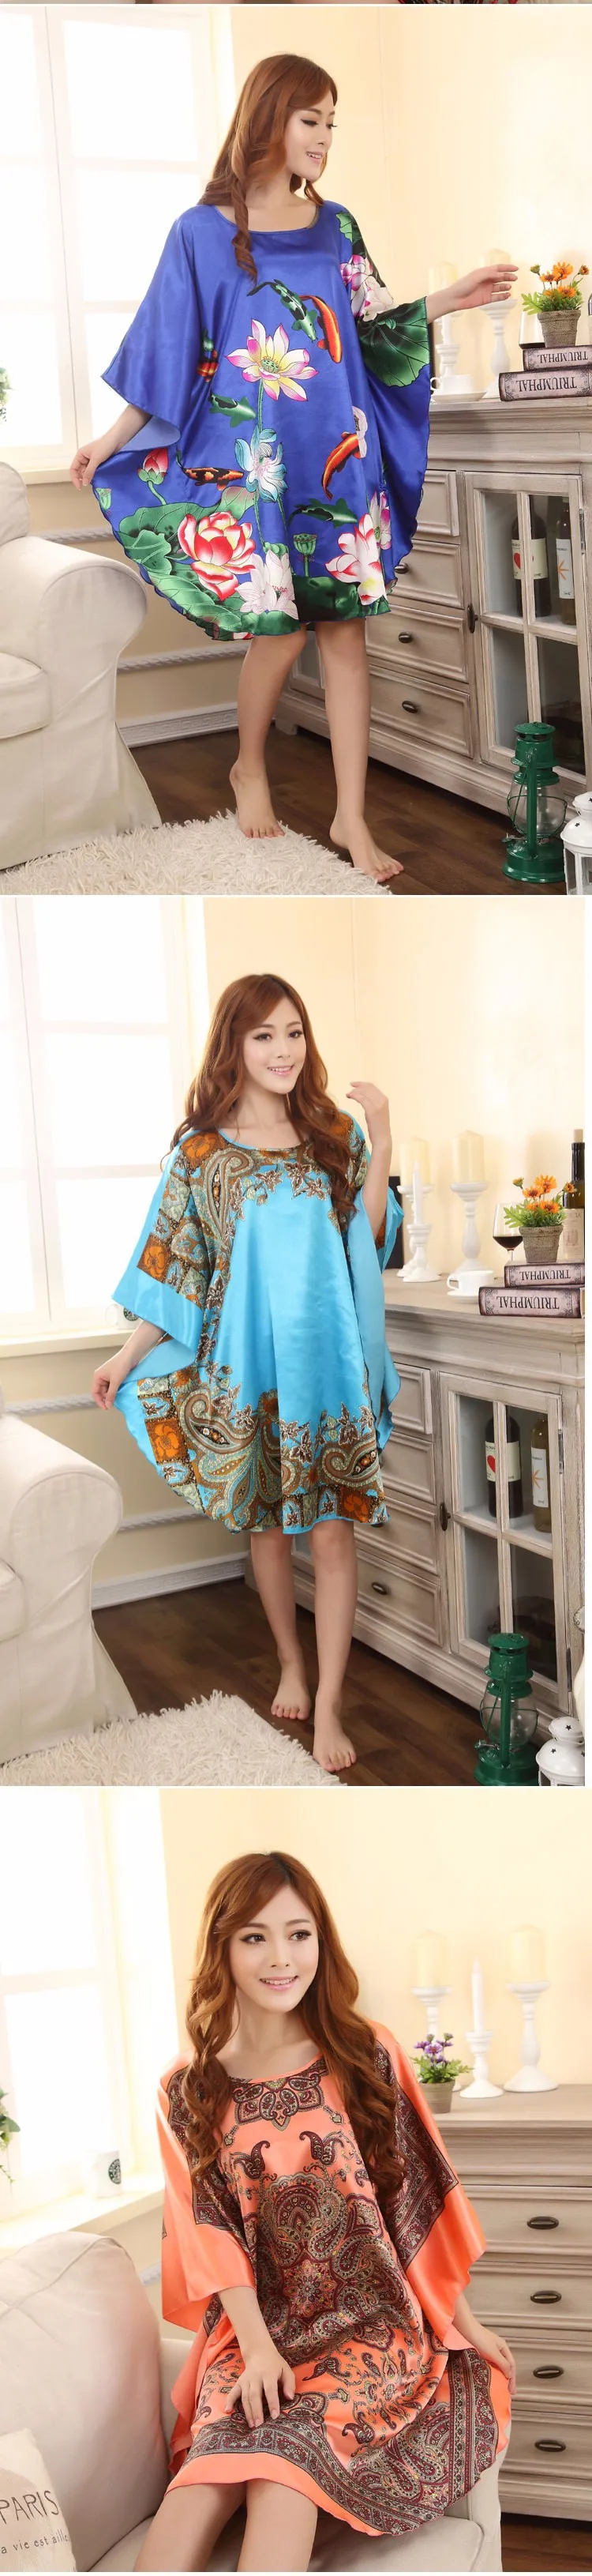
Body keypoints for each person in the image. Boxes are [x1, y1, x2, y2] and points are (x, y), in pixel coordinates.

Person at [70, 53, 517, 884]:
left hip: (337, 458)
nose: (325, 138)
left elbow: (374, 325)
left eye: (332, 124)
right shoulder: (201, 231)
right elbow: (169, 350)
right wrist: (110, 437)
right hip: (260, 469)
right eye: (312, 120)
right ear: (270, 118)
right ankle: (249, 766)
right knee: (276, 638)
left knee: (346, 636)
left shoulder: (336, 225)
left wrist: (450, 298)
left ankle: (352, 816)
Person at [136, 1848, 515, 2572]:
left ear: (322, 1940)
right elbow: (208, 2231)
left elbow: (413, 2198)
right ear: (222, 1948)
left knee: (284, 2468)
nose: (282, 1957)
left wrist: (464, 2324)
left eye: (299, 1933)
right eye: (255, 1936)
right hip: (255, 2332)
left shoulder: (366, 2053)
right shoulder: (185, 2090)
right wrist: (257, 2349)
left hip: (368, 2323)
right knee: (200, 2485)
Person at [92, 973, 400, 1773]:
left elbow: (364, 1239)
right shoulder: (200, 1155)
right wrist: (127, 1356)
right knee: (266, 1524)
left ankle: (329, 1700)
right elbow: (177, 1272)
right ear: (234, 1044)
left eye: (294, 1031)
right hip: (248, 1365)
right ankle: (291, 1662)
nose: (283, 1050)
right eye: (264, 1034)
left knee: (331, 1530)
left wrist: (382, 1138)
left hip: (329, 1365)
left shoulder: (333, 1132)